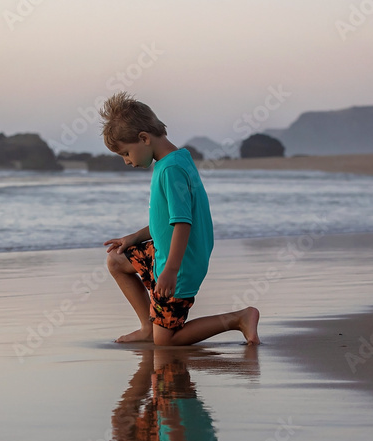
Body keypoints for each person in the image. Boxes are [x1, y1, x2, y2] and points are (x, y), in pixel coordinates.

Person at [100, 92, 260, 346]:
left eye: (126, 153)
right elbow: (167, 221)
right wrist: (134, 238)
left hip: (180, 263)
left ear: (143, 138)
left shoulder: (171, 169)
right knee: (117, 260)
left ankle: (238, 318)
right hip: (168, 253)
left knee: (166, 342)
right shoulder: (174, 160)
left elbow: (183, 223)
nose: (127, 162)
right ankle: (147, 327)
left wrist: (171, 272)